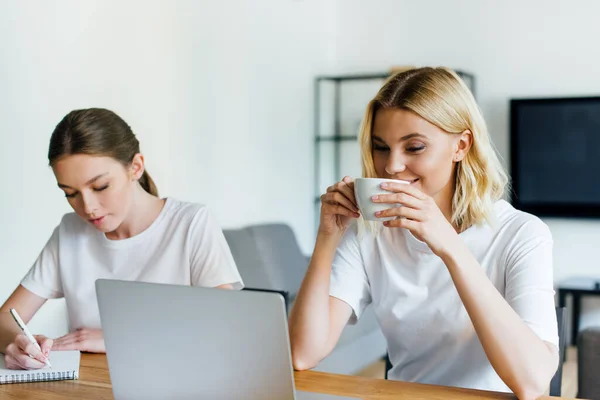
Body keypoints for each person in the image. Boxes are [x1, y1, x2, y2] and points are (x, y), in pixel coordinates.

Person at [289, 67, 558, 399]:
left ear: (461, 146)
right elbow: (302, 352)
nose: (392, 166)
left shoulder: (522, 234)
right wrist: (327, 237)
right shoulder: (370, 234)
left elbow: (532, 382)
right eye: (380, 147)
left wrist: (450, 246)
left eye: (413, 147)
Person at [0, 108, 243, 369]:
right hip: (92, 386)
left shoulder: (191, 224)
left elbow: (226, 328)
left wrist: (118, 339)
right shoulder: (70, 232)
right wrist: (18, 343)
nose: (88, 207)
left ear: (136, 167)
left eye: (100, 187)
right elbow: (6, 318)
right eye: (70, 193)